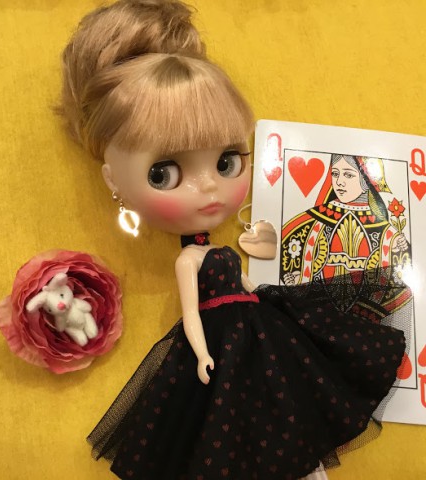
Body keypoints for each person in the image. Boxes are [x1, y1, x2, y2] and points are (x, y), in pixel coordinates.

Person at [58, 1, 411, 478]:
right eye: (164, 173)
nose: (208, 187)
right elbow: (190, 314)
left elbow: (247, 281)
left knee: (290, 412)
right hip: (220, 345)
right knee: (233, 432)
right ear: (113, 181)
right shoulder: (187, 260)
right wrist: (203, 353)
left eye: (227, 162)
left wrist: (272, 272)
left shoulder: (218, 248)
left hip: (259, 326)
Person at [281, 154, 411, 320]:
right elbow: (294, 245)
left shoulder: (382, 226)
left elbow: (398, 266)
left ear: (365, 180)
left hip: (364, 316)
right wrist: (299, 279)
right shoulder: (317, 218)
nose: (339, 182)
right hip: (321, 314)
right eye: (335, 174)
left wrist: (397, 244)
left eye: (348, 175)